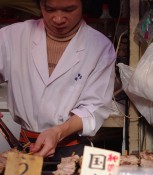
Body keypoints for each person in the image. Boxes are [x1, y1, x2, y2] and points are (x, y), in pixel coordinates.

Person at [0, 0, 116, 162]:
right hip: (24, 148)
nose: (58, 19)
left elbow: (94, 108)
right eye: (50, 9)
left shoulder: (100, 47)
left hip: (72, 152)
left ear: (84, 6)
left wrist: (58, 132)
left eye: (69, 10)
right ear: (40, 5)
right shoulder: (12, 36)